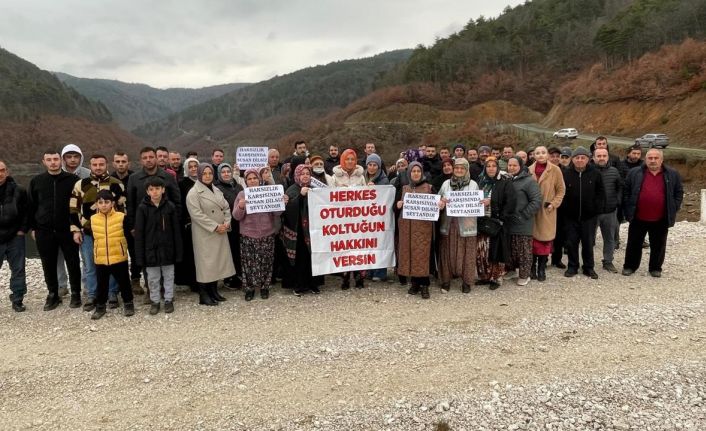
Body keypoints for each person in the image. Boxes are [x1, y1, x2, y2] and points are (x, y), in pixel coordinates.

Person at [69, 154, 126, 311]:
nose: (98, 167)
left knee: (113, 261)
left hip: (112, 232)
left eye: (101, 164)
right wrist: (76, 230)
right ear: (90, 165)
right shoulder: (81, 185)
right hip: (88, 232)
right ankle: (93, 294)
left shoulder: (116, 184)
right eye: (95, 164)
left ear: (107, 165)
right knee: (90, 265)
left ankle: (113, 293)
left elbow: (122, 209)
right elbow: (73, 209)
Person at [28, 149, 82, 310]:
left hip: (68, 229)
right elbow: (31, 206)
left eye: (56, 159)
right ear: (44, 162)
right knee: (48, 263)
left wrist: (77, 227)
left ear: (61, 161)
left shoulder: (73, 179)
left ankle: (76, 294)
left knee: (73, 262)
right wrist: (33, 228)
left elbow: (79, 205)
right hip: (44, 230)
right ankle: (53, 294)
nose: (53, 162)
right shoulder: (37, 181)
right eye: (49, 159)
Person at [125, 146, 181, 300]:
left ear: (156, 158)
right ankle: (151, 290)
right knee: (147, 257)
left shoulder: (168, 177)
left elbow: (177, 201)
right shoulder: (134, 178)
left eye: (151, 157)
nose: (148, 160)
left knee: (166, 257)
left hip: (166, 225)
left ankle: (166, 290)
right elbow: (130, 204)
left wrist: (176, 223)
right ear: (141, 160)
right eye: (145, 158)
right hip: (144, 226)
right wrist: (132, 226)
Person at [622, 149, 683, 278]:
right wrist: (628, 208)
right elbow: (626, 191)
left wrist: (673, 207)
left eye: (656, 158)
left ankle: (655, 268)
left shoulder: (672, 174)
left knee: (658, 245)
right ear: (646, 159)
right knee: (634, 243)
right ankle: (630, 266)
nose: (653, 160)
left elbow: (678, 193)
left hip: (661, 217)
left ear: (662, 160)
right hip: (638, 216)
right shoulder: (634, 173)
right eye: (650, 158)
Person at [186, 163, 235, 305]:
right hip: (205, 234)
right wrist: (215, 227)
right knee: (206, 264)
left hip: (221, 230)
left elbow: (226, 207)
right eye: (205, 173)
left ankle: (213, 291)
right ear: (200, 175)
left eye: (210, 173)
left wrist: (227, 222)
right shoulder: (193, 193)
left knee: (217, 262)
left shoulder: (216, 190)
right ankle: (203, 294)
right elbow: (196, 215)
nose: (207, 176)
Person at [234, 169, 286, 300]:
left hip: (267, 233)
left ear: (259, 179)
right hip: (248, 234)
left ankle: (264, 287)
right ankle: (249, 289)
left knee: (266, 262)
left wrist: (281, 203)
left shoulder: (268, 192)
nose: (252, 181)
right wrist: (240, 206)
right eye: (249, 179)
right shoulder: (241, 194)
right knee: (248, 264)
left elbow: (277, 213)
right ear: (246, 181)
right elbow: (236, 216)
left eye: (255, 178)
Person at [134, 178, 182, 314]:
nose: (155, 192)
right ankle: (154, 301)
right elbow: (139, 234)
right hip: (150, 251)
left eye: (157, 189)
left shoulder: (170, 207)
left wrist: (178, 252)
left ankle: (168, 299)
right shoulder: (142, 208)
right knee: (153, 278)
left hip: (168, 249)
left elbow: (176, 232)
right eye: (151, 189)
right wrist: (140, 256)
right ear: (147, 192)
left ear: (163, 189)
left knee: (169, 276)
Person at [89, 190, 135, 319]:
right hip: (101, 257)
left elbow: (128, 236)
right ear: (96, 204)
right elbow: (93, 237)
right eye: (100, 202)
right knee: (102, 283)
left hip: (118, 256)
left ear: (112, 203)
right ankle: (100, 306)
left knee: (124, 281)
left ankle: (128, 302)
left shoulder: (121, 217)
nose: (104, 205)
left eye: (107, 202)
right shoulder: (93, 219)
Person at [562, 147, 604, 279]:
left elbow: (601, 194)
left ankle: (588, 267)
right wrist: (564, 210)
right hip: (570, 216)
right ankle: (572, 266)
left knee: (588, 242)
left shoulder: (595, 174)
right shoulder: (566, 174)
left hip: (589, 217)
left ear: (588, 159)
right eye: (577, 157)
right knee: (571, 242)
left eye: (583, 158)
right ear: (572, 159)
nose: (580, 160)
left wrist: (596, 209)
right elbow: (561, 193)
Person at [437, 158, 478, 293]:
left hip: (466, 226)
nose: (459, 170)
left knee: (467, 254)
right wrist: (441, 203)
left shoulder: (473, 185)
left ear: (467, 170)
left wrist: (482, 203)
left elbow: (476, 204)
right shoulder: (446, 184)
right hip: (448, 224)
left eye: (462, 168)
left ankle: (466, 282)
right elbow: (437, 203)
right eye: (457, 168)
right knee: (447, 253)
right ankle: (446, 281)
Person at [475, 157, 516, 289]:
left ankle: (496, 278)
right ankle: (485, 276)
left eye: (493, 166)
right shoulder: (481, 182)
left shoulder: (505, 182)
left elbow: (510, 202)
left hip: (497, 222)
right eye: (488, 166)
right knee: (483, 250)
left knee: (496, 250)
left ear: (497, 168)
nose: (491, 168)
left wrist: (491, 203)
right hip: (482, 221)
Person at [396, 161, 434, 299]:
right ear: (409, 173)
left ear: (422, 173)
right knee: (410, 255)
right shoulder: (405, 188)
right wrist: (398, 204)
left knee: (422, 256)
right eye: (413, 171)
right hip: (407, 228)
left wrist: (440, 205)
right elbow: (395, 207)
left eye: (418, 171)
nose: (416, 174)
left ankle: (425, 285)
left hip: (423, 229)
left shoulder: (429, 188)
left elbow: (435, 208)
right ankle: (415, 283)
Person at [330, 149, 367, 289]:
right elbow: (330, 198)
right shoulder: (335, 178)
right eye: (347, 159)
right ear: (342, 160)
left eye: (352, 159)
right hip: (342, 220)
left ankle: (359, 277)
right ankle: (344, 277)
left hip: (358, 219)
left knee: (358, 247)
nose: (350, 162)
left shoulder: (361, 177)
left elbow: (366, 197)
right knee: (344, 248)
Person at [528, 146, 566, 280]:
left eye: (543, 153)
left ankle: (542, 268)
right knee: (531, 241)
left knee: (544, 241)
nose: (540, 155)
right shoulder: (528, 170)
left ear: (547, 155)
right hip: (532, 212)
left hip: (546, 211)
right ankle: (532, 267)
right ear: (534, 155)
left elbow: (561, 190)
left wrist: (554, 204)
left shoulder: (555, 170)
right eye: (537, 153)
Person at [504, 157, 542, 286]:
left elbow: (536, 201)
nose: (512, 167)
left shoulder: (529, 181)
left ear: (521, 166)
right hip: (509, 221)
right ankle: (511, 270)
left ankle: (525, 274)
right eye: (510, 165)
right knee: (510, 248)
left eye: (515, 165)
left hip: (523, 222)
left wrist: (523, 215)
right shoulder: (507, 180)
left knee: (523, 250)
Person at [282, 164, 316, 295]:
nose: (305, 176)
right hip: (298, 232)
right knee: (300, 258)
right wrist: (301, 196)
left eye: (308, 173)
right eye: (302, 174)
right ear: (297, 175)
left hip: (313, 230)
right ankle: (299, 285)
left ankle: (312, 283)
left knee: (311, 258)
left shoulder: (315, 188)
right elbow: (288, 210)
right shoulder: (292, 190)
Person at [0, 160, 29, 312]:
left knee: (18, 269)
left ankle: (18, 299)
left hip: (14, 236)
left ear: (7, 171)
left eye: (2, 170)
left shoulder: (19, 190)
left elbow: (26, 212)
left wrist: (22, 230)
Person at [593, 148, 623, 273]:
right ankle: (588, 262)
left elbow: (620, 187)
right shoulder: (589, 171)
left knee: (609, 238)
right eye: (598, 155)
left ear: (608, 157)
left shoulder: (614, 171)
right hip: (593, 212)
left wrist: (617, 201)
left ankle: (608, 261)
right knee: (588, 239)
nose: (601, 158)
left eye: (604, 155)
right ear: (593, 157)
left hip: (610, 211)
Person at [215, 163, 244, 290]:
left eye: (228, 171)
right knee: (228, 252)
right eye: (223, 172)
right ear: (219, 174)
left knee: (238, 250)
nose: (226, 174)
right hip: (226, 225)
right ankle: (229, 278)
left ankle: (238, 274)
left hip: (239, 223)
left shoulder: (238, 186)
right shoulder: (216, 187)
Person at [174, 157, 200, 294]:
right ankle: (193, 281)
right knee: (191, 254)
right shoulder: (182, 184)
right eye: (190, 167)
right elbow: (181, 204)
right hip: (190, 223)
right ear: (186, 169)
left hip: (205, 224)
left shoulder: (205, 181)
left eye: (196, 166)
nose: (194, 169)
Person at [364, 153, 390, 282]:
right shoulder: (363, 178)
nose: (372, 167)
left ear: (379, 167)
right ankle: (369, 270)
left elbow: (384, 199)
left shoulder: (384, 180)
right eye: (370, 164)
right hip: (365, 218)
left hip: (379, 218)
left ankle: (380, 272)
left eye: (375, 165)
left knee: (379, 244)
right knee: (368, 244)